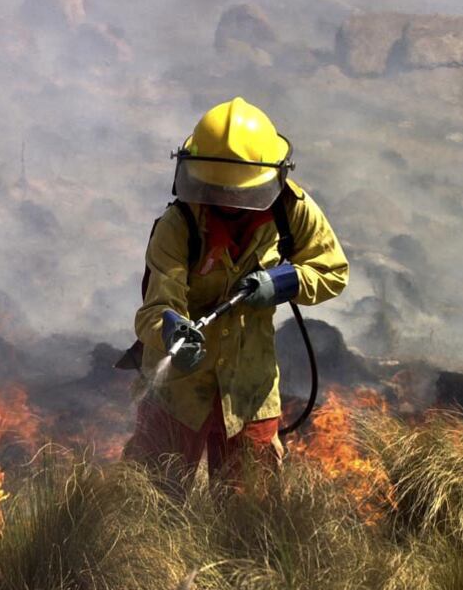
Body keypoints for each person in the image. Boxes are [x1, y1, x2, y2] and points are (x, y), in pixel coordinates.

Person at [123, 96, 349, 488]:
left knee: (250, 518)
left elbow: (332, 271)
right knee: (149, 504)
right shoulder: (179, 225)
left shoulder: (291, 210)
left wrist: (284, 283)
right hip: (176, 392)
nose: (229, 202)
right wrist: (172, 330)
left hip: (250, 390)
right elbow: (155, 308)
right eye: (217, 191)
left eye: (239, 193)